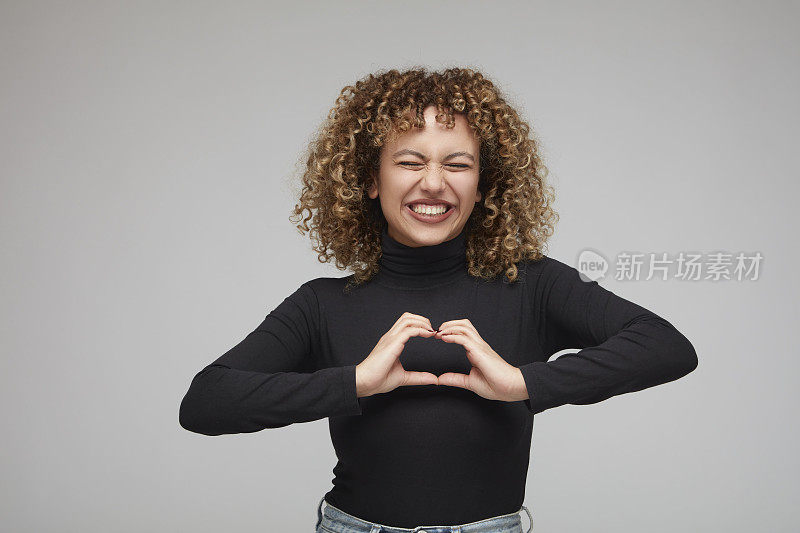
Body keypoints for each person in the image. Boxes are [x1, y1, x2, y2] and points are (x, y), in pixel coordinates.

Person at [179, 67, 698, 533]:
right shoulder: (322, 304)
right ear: (368, 181)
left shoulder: (533, 285)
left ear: (483, 186)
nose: (433, 183)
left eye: (457, 164)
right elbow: (206, 402)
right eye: (408, 161)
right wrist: (355, 383)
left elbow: (667, 346)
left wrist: (522, 383)